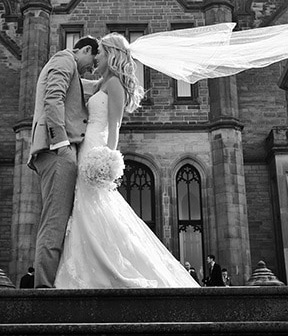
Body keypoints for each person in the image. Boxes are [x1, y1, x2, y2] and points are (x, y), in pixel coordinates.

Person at [54, 33, 199, 289]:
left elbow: (115, 125)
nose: (96, 56)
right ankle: (85, 268)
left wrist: (108, 158)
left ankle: (106, 269)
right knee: (85, 207)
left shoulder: (115, 85)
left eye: (100, 53)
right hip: (86, 145)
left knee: (95, 206)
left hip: (97, 147)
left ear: (111, 55)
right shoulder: (101, 83)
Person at [28, 36, 99, 288]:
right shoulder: (64, 59)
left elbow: (80, 90)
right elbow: (53, 97)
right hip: (57, 150)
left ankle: (51, 283)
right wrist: (60, 141)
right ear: (86, 49)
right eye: (92, 61)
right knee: (55, 220)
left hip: (59, 150)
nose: (92, 68)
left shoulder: (71, 67)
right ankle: (44, 288)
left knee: (57, 219)